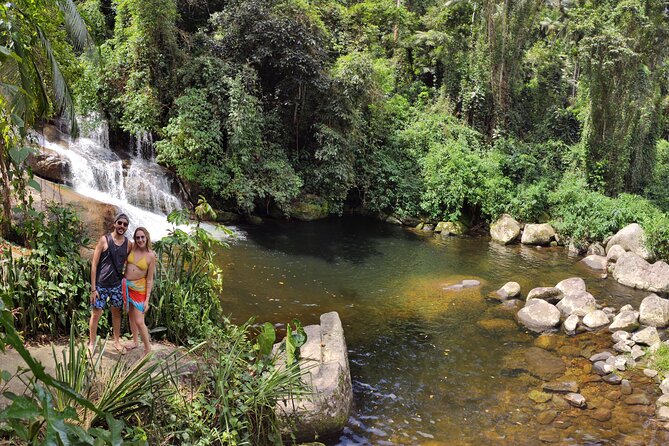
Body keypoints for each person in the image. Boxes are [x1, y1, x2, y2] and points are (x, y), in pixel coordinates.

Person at [90, 213, 132, 354]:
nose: (122, 226)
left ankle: (117, 342)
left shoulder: (128, 244)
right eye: (120, 223)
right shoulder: (104, 240)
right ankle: (91, 343)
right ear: (114, 223)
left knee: (116, 313)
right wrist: (93, 288)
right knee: (96, 313)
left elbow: (131, 262)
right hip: (101, 285)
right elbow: (94, 264)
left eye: (125, 224)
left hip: (116, 285)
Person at [122, 227, 156, 355]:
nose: (140, 240)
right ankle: (135, 341)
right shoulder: (132, 248)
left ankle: (147, 349)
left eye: (142, 237)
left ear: (146, 237)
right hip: (127, 287)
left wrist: (147, 300)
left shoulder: (151, 256)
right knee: (131, 315)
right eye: (137, 237)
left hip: (140, 290)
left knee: (139, 321)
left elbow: (150, 279)